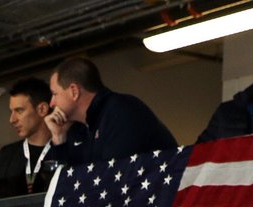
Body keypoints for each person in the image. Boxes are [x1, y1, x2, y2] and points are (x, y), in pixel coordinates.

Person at [45, 56, 177, 165]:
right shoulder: (76, 128)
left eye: (55, 94)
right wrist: (59, 138)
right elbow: (62, 186)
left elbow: (112, 178)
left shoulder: (121, 111)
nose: (52, 103)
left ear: (74, 91)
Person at [0, 77, 56, 200]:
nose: (12, 120)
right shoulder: (6, 156)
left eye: (19, 111)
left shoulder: (64, 150)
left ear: (42, 109)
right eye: (11, 112)